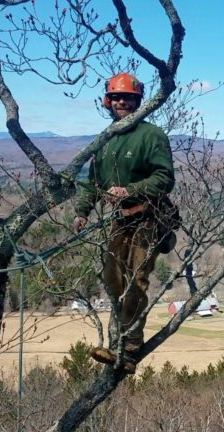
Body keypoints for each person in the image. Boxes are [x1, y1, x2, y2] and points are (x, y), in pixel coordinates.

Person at [72, 72, 175, 372]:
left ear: (137, 101)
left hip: (150, 216)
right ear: (108, 101)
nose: (121, 102)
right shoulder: (105, 139)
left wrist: (131, 190)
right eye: (116, 97)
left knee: (136, 281)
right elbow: (92, 181)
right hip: (121, 219)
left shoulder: (151, 136)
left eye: (127, 97)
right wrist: (82, 211)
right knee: (113, 279)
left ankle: (129, 350)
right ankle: (118, 342)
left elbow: (164, 178)